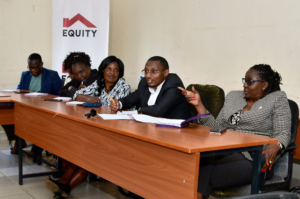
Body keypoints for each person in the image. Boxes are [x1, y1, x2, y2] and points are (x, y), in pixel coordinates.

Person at [178, 64, 291, 199]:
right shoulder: (233, 96)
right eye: (245, 80)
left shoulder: (277, 98)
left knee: (199, 169)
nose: (245, 85)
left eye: (250, 81)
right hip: (224, 149)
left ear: (264, 85)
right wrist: (199, 105)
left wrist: (276, 144)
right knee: (194, 163)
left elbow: (283, 132)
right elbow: (217, 126)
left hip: (254, 157)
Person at [45, 55, 132, 199]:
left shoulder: (123, 86)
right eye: (109, 69)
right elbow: (77, 94)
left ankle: (65, 185)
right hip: (100, 129)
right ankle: (64, 184)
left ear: (120, 73)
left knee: (90, 149)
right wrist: (88, 98)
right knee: (84, 145)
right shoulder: (100, 83)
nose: (112, 73)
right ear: (102, 71)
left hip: (117, 131)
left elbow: (117, 111)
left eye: (116, 70)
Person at [7, 53, 62, 154]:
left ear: (41, 64)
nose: (33, 70)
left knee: (38, 120)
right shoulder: (25, 75)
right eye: (30, 68)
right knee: (9, 116)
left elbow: (60, 93)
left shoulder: (52, 74)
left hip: (45, 107)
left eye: (35, 67)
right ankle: (19, 141)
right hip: (26, 106)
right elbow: (19, 90)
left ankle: (37, 146)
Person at [110, 56, 191, 120]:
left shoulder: (173, 83)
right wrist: (118, 103)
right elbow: (132, 98)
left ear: (166, 72)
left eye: (154, 71)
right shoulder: (144, 83)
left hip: (179, 132)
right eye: (146, 71)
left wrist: (139, 110)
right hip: (155, 128)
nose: (148, 75)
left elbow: (158, 110)